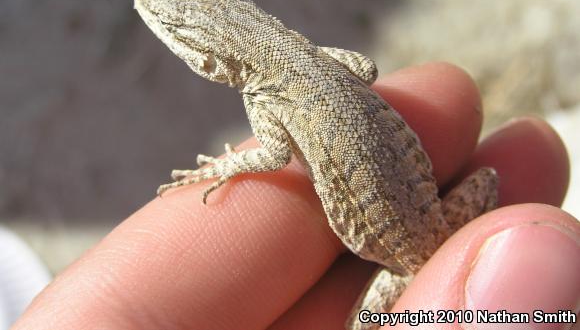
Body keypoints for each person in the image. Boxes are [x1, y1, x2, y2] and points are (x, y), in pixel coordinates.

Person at [11, 63, 579, 330]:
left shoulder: (265, 96)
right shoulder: (309, 58)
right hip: (439, 213)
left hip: (406, 262)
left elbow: (270, 157)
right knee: (493, 179)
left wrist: (220, 168)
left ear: (208, 59)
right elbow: (365, 67)